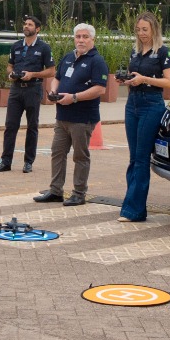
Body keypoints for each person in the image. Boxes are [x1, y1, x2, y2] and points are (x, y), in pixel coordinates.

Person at [32, 23, 110, 207]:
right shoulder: (68, 57)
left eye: (85, 37)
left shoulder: (97, 61)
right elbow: (57, 78)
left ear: (92, 39)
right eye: (78, 37)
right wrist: (53, 91)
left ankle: (79, 193)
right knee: (57, 153)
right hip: (62, 117)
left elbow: (100, 88)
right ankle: (55, 191)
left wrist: (74, 97)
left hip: (82, 118)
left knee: (80, 157)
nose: (81, 40)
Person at [118, 12, 170, 222]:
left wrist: (145, 79)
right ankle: (134, 207)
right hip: (132, 104)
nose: (141, 33)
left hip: (151, 105)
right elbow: (134, 75)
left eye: (145, 29)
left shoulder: (162, 52)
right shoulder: (135, 52)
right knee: (134, 158)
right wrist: (127, 80)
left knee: (141, 158)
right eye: (138, 30)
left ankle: (132, 211)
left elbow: (169, 83)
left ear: (154, 29)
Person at [0, 15, 53, 173]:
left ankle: (28, 162)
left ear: (37, 29)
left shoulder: (43, 48)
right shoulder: (16, 46)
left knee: (32, 126)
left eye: (30, 24)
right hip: (16, 89)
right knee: (10, 126)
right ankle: (6, 161)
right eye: (25, 24)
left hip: (33, 89)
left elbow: (51, 71)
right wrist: (11, 73)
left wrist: (33, 74)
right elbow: (9, 65)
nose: (26, 26)